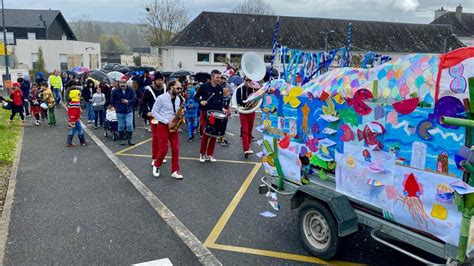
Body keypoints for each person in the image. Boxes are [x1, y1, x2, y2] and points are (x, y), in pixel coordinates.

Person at [150, 80, 184, 179]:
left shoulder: (178, 99)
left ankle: (175, 170)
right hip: (163, 126)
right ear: (171, 87)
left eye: (180, 88)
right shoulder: (161, 98)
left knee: (176, 149)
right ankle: (156, 165)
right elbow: (154, 112)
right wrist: (166, 122)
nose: (179, 90)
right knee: (164, 149)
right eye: (178, 88)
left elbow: (175, 112)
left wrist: (180, 114)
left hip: (173, 125)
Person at [194, 70, 227, 163]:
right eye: (217, 77)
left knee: (214, 135)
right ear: (212, 77)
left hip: (216, 113)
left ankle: (210, 154)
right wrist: (200, 101)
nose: (219, 79)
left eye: (220, 77)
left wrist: (223, 109)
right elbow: (195, 97)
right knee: (206, 134)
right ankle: (202, 154)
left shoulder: (220, 88)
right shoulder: (204, 86)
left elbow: (221, 101)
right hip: (206, 113)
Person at [141, 72, 167, 166]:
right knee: (156, 137)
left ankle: (161, 156)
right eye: (158, 80)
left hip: (164, 115)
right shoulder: (149, 90)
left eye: (161, 80)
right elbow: (143, 102)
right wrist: (146, 112)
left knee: (163, 138)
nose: (160, 82)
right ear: (154, 80)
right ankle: (155, 157)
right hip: (154, 116)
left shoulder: (165, 88)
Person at [236, 77, 258, 158]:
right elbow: (238, 101)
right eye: (246, 80)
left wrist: (255, 89)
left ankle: (248, 146)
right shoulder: (239, 90)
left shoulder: (253, 90)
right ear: (244, 80)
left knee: (249, 131)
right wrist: (247, 101)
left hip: (251, 111)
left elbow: (257, 100)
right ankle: (246, 149)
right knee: (245, 130)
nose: (248, 82)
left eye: (249, 80)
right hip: (243, 111)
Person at [111, 79, 136, 146]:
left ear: (126, 83)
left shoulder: (131, 90)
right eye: (121, 83)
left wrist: (128, 101)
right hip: (120, 110)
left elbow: (134, 99)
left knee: (129, 124)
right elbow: (112, 100)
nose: (123, 84)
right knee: (121, 125)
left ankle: (129, 139)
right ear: (119, 83)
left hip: (128, 110)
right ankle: (121, 139)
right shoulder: (115, 91)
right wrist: (117, 105)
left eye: (124, 83)